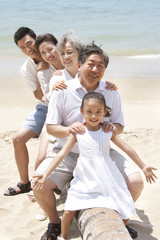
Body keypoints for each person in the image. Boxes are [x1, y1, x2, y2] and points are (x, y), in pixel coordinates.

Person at [33, 42, 144, 240]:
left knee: (136, 182)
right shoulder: (62, 89)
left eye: (101, 65)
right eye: (90, 64)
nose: (95, 69)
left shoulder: (111, 92)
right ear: (79, 64)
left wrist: (112, 128)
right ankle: (54, 222)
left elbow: (120, 125)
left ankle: (116, 218)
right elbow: (50, 127)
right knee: (37, 183)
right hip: (68, 152)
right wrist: (69, 130)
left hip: (102, 151)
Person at [32, 92, 157, 240]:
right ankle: (64, 236)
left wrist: (143, 166)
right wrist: (46, 173)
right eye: (89, 112)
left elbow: (127, 148)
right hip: (85, 177)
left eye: (98, 112)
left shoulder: (107, 131)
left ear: (105, 112)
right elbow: (61, 155)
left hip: (106, 174)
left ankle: (119, 226)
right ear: (82, 112)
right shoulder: (79, 132)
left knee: (125, 205)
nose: (93, 116)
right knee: (68, 211)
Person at [3, 27, 49, 196]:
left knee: (43, 154)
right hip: (43, 107)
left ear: (36, 39)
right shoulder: (26, 68)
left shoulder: (52, 54)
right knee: (17, 139)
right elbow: (39, 95)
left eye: (29, 43)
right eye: (22, 48)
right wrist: (38, 73)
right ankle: (24, 183)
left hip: (63, 107)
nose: (28, 49)